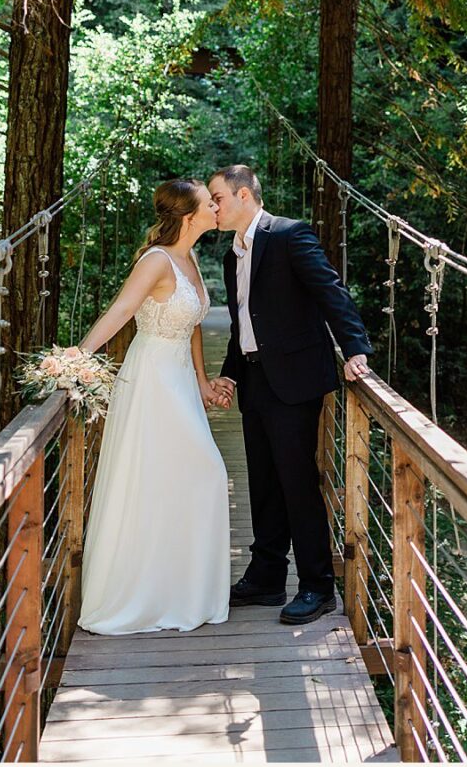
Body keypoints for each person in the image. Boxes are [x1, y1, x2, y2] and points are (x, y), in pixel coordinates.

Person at [207, 164, 373, 626]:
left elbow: (330, 292)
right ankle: (267, 576)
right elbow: (244, 322)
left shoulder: (288, 234)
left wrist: (355, 349)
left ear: (243, 195)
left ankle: (318, 586)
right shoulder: (232, 255)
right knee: (263, 481)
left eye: (217, 198)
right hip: (255, 380)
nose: (213, 207)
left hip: (295, 380)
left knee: (297, 483)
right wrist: (230, 374)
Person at [69, 178, 232, 634]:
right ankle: (139, 596)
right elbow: (121, 311)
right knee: (196, 473)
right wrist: (78, 357)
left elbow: (193, 325)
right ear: (189, 216)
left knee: (181, 479)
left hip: (181, 381)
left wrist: (202, 381)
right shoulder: (156, 260)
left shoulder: (190, 258)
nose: (217, 208)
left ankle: (179, 593)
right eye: (210, 203)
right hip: (152, 380)